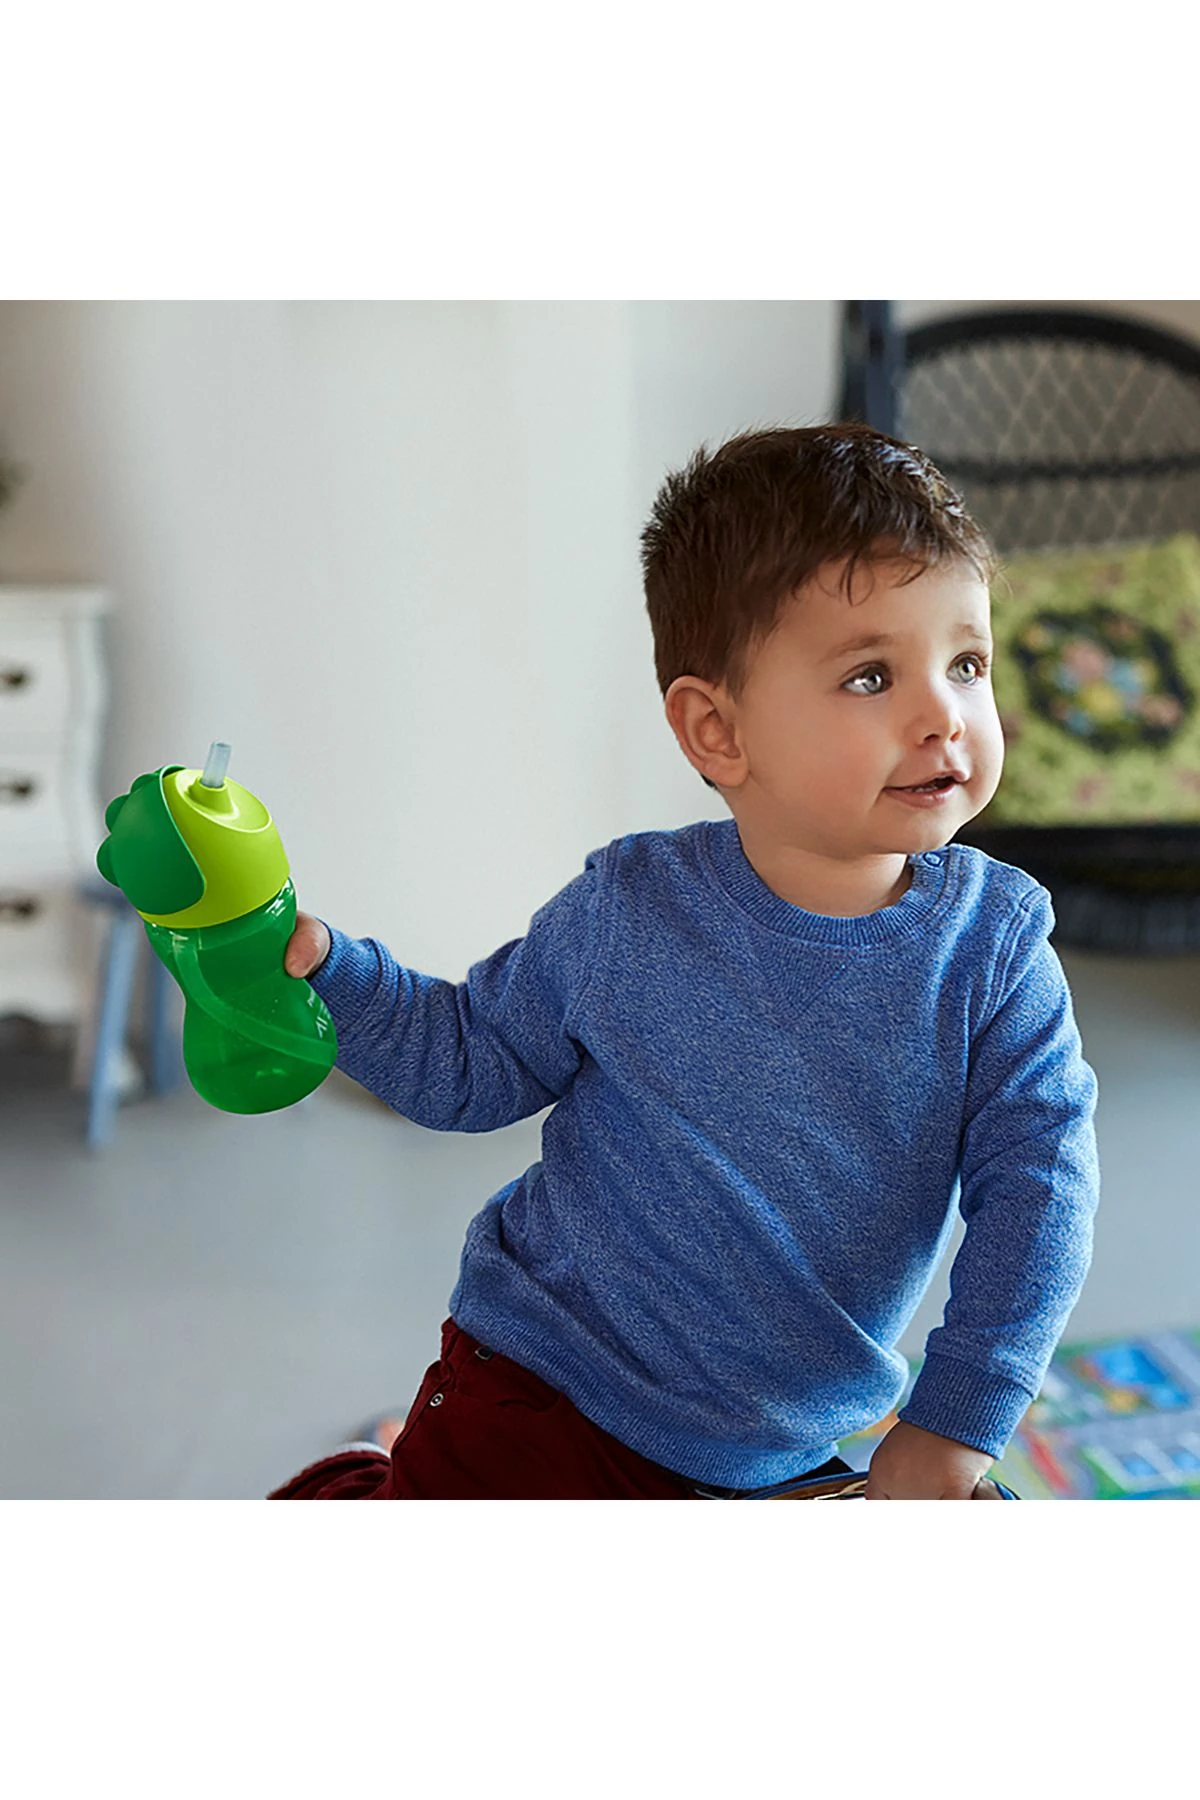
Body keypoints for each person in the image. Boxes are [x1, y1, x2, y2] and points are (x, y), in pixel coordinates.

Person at [269, 422, 1100, 1501]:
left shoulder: (997, 955)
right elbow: (471, 1064)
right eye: (869, 677)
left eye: (967, 663)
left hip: (783, 1444)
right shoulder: (627, 912)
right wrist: (338, 972)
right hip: (539, 1385)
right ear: (718, 732)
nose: (944, 712)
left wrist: (957, 1418)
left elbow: (1040, 1195)